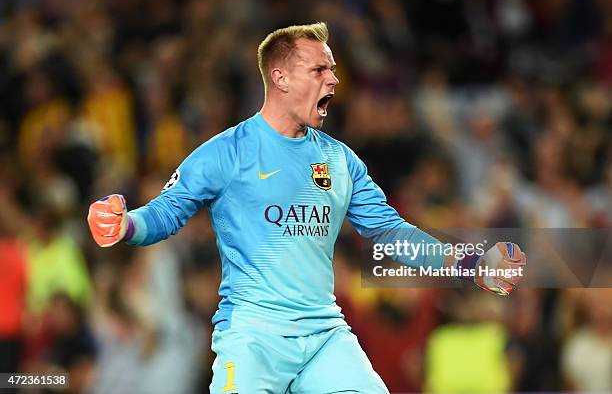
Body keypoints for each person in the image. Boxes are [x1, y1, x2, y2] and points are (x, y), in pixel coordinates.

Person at [87, 22, 526, 393]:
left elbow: (393, 234)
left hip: (323, 336)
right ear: (280, 78)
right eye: (319, 70)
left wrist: (471, 265)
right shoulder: (228, 152)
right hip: (254, 336)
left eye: (332, 70)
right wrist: (125, 224)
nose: (333, 81)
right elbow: (166, 213)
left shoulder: (340, 161)